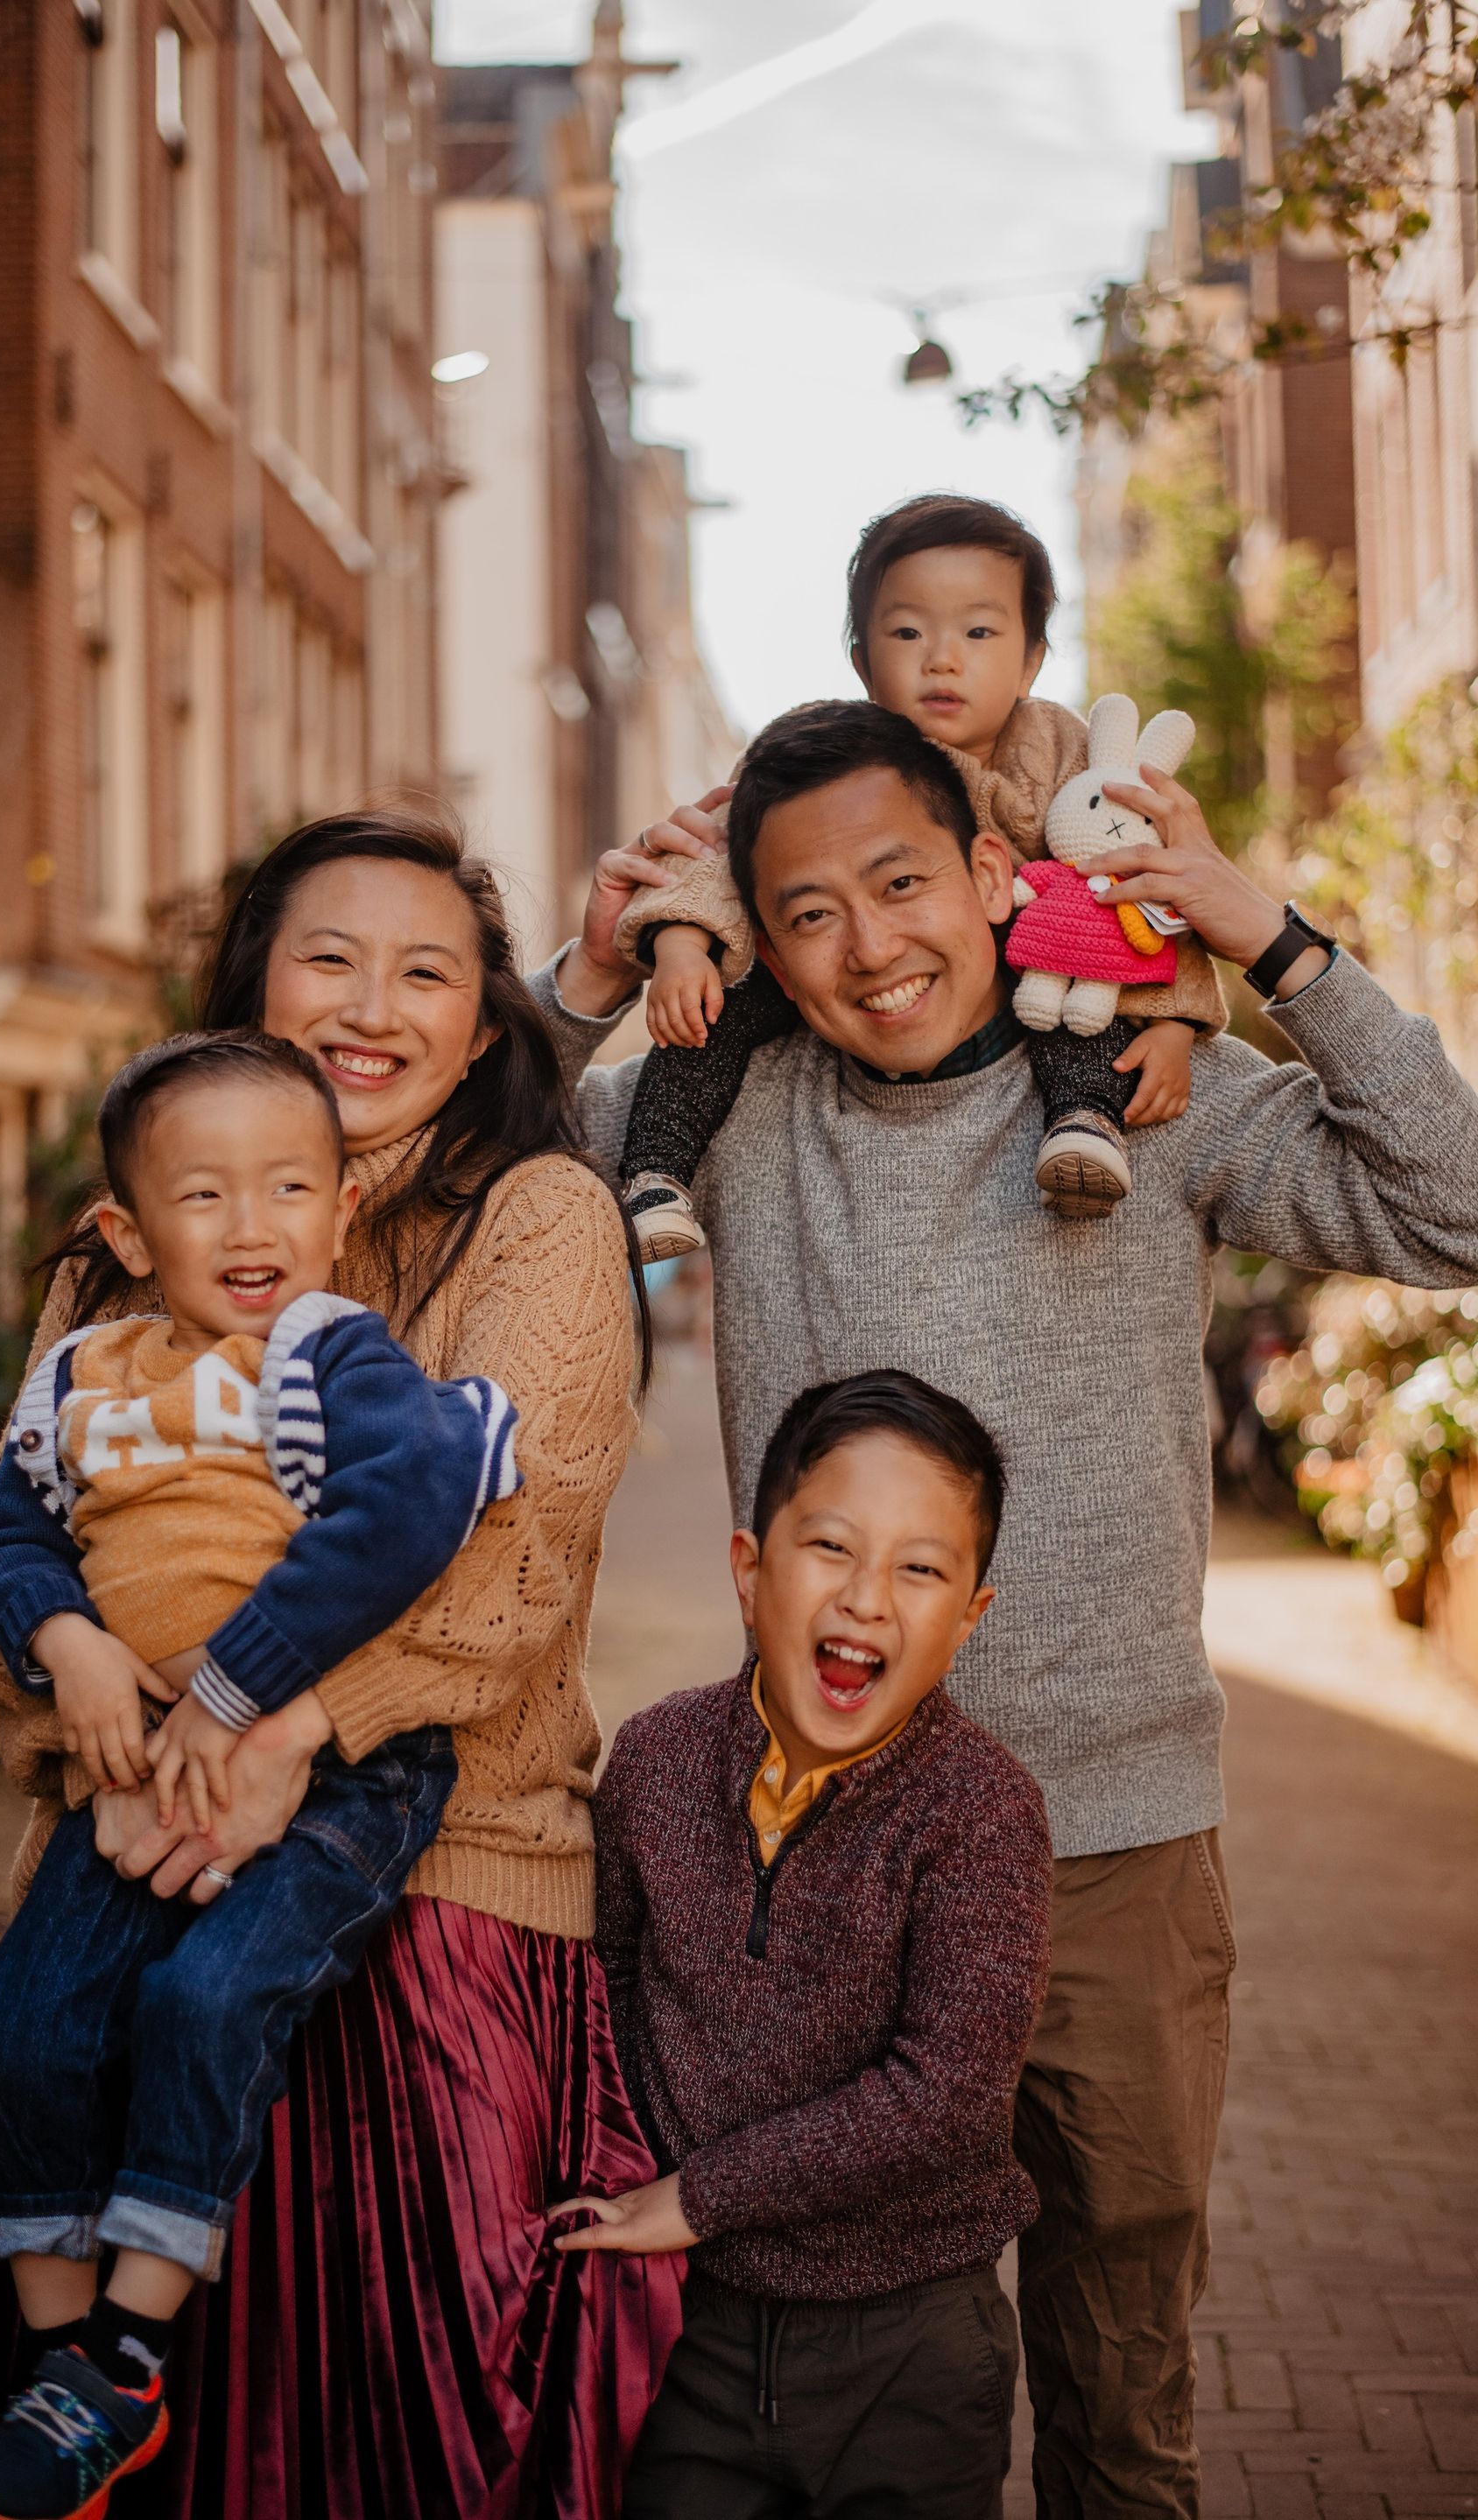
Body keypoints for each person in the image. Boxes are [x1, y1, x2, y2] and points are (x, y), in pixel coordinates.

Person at [536, 700, 1478, 2518]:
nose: (866, 943)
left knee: (1123, 2403)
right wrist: (587, 968)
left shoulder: (1151, 1090)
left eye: (903, 882)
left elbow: (1457, 1203)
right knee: (865, 2394)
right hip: (824, 1855)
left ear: (991, 870)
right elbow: (461, 1170)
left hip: (1112, 1849)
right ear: (754, 932)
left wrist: (1265, 939)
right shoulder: (731, 1112)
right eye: (804, 910)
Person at [0, 806, 681, 2518]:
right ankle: (89, 2383)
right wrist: (95, 1694)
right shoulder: (134, 1229)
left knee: (392, 2451)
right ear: (250, 988)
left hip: (439, 1897)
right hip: (134, 1862)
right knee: (127, 2419)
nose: (373, 1002)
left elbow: (509, 1572)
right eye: (327, 957)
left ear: (485, 1019)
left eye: (426, 968)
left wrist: (283, 1724)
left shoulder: (542, 1222)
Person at [0, 1029, 523, 2520]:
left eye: (288, 1185)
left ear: (342, 1209)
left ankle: (131, 2352)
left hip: (339, 1779)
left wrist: (232, 1684)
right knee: (27, 2028)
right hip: (129, 1769)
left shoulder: (329, 1348)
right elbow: (8, 1541)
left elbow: (400, 1518)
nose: (253, 1223)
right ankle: (62, 2362)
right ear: (130, 1234)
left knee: (199, 2001)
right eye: (204, 1196)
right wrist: (66, 1638)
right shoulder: (81, 1374)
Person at [557, 1371, 1052, 2520]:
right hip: (695, 2330)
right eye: (831, 1545)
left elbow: (950, 2094)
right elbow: (616, 1984)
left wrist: (704, 2190)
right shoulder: (657, 1759)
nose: (869, 1598)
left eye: (921, 1567)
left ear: (969, 1614)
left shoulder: (980, 1809)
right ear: (749, 1567)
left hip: (910, 2346)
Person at [611, 494, 1226, 1259]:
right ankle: (657, 1172)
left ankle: (1084, 1123)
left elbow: (1140, 879)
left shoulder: (1059, 748)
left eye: (979, 631)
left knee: (1075, 993)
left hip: (1030, 959)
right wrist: (679, 947)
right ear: (863, 661)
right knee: (707, 1021)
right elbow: (715, 854)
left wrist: (1172, 1023)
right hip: (823, 981)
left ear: (1032, 658)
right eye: (907, 632)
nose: (942, 657)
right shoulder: (826, 758)